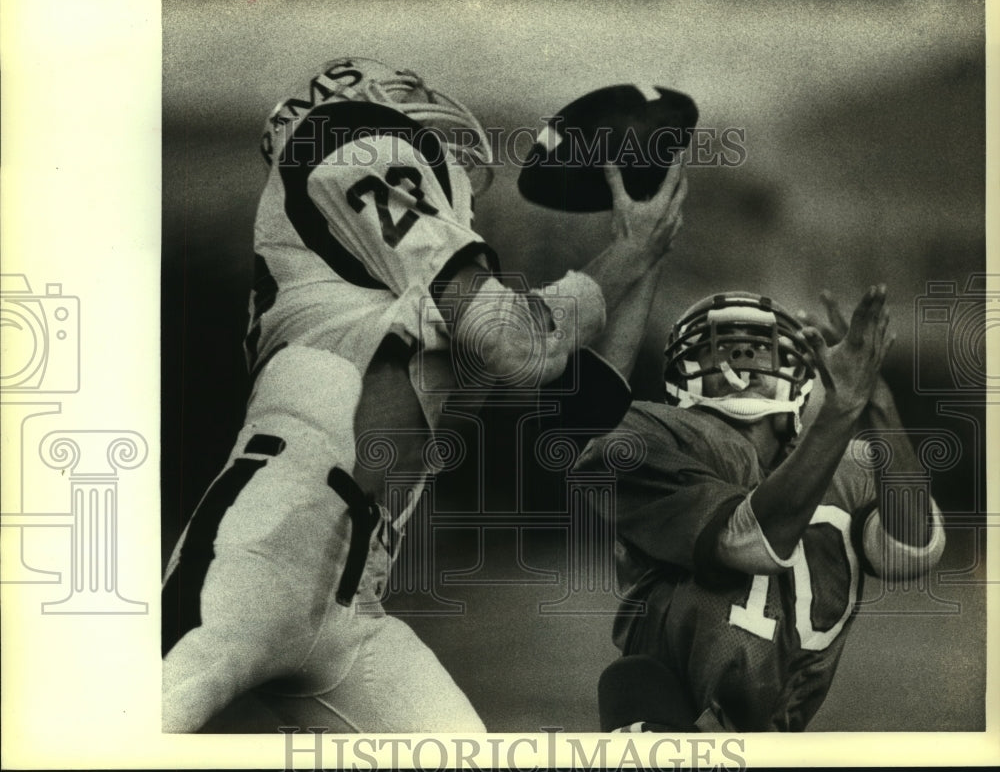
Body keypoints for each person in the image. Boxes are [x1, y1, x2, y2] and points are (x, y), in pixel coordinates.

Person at [161, 57, 689, 733]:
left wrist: (644, 249)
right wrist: (626, 255)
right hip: (265, 544)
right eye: (409, 95)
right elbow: (517, 340)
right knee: (113, 734)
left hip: (352, 597)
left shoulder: (395, 292)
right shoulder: (341, 136)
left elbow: (586, 408)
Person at [579, 287, 946, 732]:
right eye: (721, 347)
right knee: (636, 686)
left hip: (776, 737)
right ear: (683, 376)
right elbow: (748, 541)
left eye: (759, 347)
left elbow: (911, 551)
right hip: (672, 721)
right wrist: (841, 410)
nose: (742, 358)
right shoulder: (646, 434)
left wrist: (876, 400)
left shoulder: (845, 465)